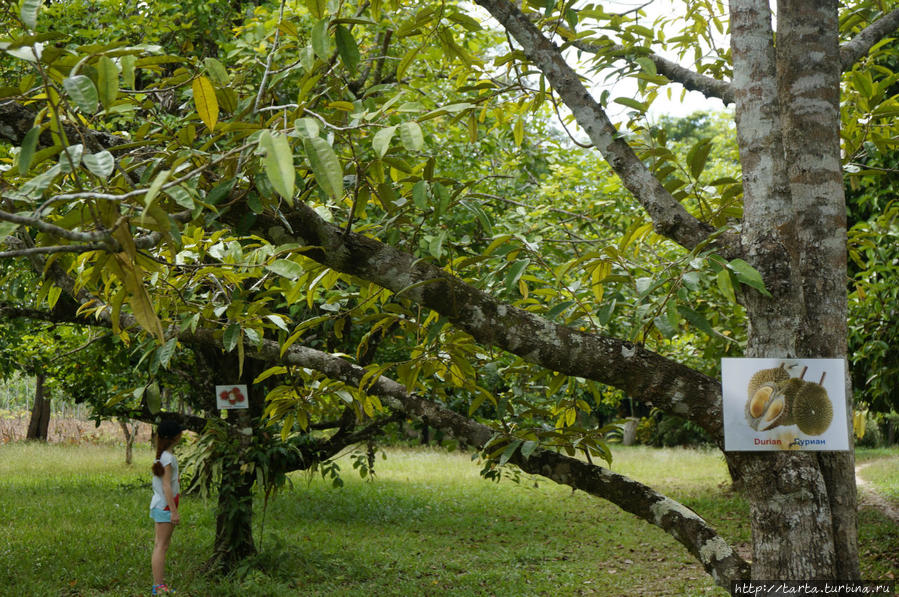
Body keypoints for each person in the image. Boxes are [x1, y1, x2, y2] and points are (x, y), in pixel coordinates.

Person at [150, 419, 184, 595]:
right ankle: (159, 586)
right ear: (176, 437)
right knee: (161, 546)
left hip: (158, 504)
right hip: (165, 506)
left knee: (159, 545)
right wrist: (174, 511)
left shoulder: (162, 456)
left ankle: (158, 585)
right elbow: (166, 486)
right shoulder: (168, 458)